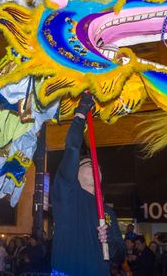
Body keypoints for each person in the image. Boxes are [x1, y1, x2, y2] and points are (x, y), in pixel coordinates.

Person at [51, 93, 125, 275]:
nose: (96, 168)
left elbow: (120, 255)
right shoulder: (68, 194)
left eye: (98, 167)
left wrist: (110, 243)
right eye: (89, 164)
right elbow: (72, 148)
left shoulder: (108, 212)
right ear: (74, 173)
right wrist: (81, 114)